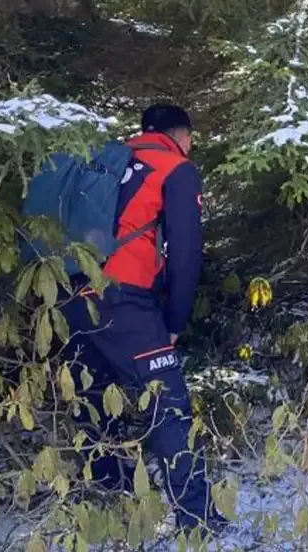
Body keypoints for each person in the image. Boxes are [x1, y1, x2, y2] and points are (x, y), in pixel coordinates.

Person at [57, 104, 226, 533]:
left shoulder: (110, 160)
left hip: (69, 296)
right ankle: (198, 520)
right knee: (168, 406)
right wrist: (174, 320)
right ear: (183, 136)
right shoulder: (176, 167)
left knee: (94, 400)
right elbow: (186, 254)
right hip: (124, 299)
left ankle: (109, 506)